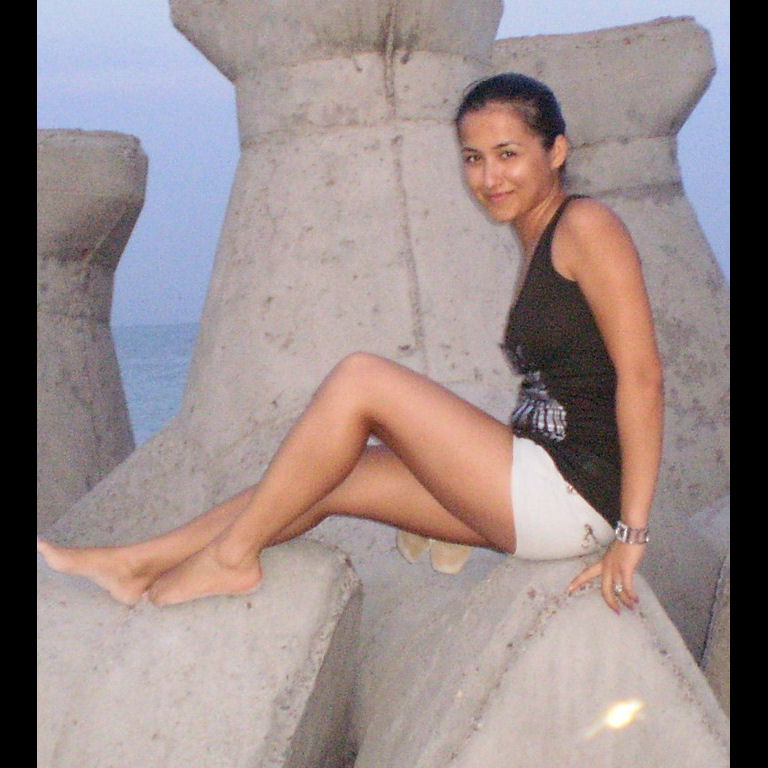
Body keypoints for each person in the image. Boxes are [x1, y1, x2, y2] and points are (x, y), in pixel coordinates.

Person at [37, 73, 663, 614]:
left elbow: (642, 378)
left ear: (556, 151)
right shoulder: (537, 236)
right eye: (473, 158)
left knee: (362, 379)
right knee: (332, 474)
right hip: (538, 474)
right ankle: (134, 563)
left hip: (570, 494)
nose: (489, 176)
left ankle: (231, 557)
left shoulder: (586, 225)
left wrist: (631, 536)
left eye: (507, 154)